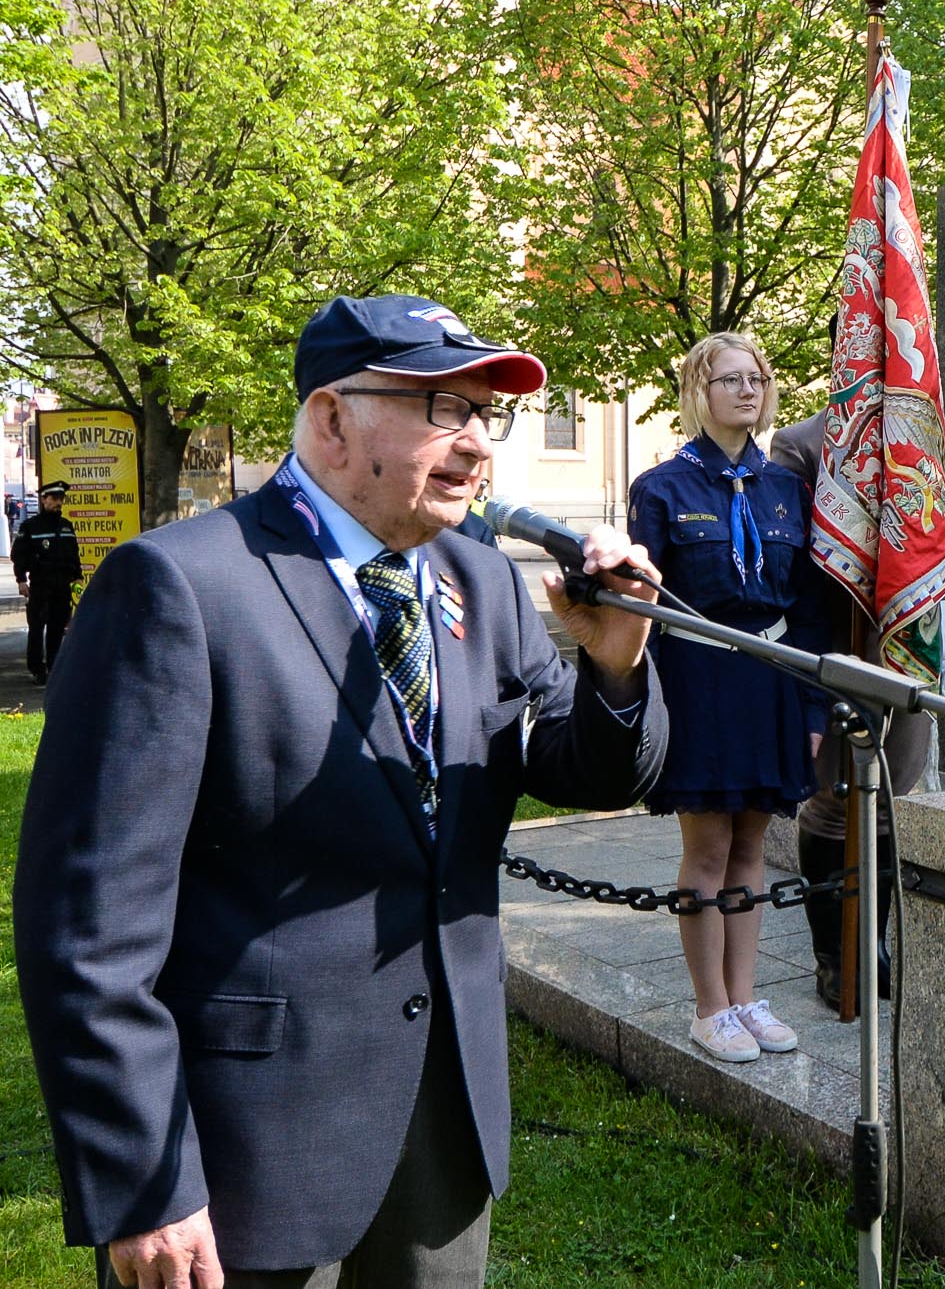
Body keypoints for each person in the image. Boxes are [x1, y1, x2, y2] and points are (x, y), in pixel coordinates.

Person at [14, 293, 668, 1288]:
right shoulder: (179, 586)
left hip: (441, 1135)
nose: (476, 444)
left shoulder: (479, 581)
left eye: (483, 415)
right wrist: (145, 1177)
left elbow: (587, 769)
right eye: (443, 408)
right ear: (330, 418)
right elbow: (85, 926)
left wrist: (616, 669)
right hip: (245, 1157)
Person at [628, 330, 824, 1063]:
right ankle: (708, 1006)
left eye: (758, 378)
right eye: (731, 379)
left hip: (769, 678)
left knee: (753, 847)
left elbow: (806, 610)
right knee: (707, 848)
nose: (749, 390)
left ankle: (746, 997)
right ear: (698, 393)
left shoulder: (784, 489)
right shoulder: (662, 488)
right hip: (698, 682)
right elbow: (643, 610)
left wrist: (807, 706)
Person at [769, 405, 933, 1010]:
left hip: (902, 651)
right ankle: (834, 958)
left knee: (890, 801)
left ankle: (875, 945)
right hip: (833, 652)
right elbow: (790, 553)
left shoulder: (922, 432)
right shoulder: (801, 443)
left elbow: (939, 544)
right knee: (833, 805)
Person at [15, 479, 82, 683]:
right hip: (40, 585)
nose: (59, 503)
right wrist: (21, 580)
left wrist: (78, 576)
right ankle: (37, 668)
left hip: (62, 585)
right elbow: (19, 554)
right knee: (36, 628)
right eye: (54, 498)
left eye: (61, 499)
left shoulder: (66, 526)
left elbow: (73, 555)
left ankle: (54, 665)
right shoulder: (31, 526)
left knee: (57, 626)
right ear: (44, 500)